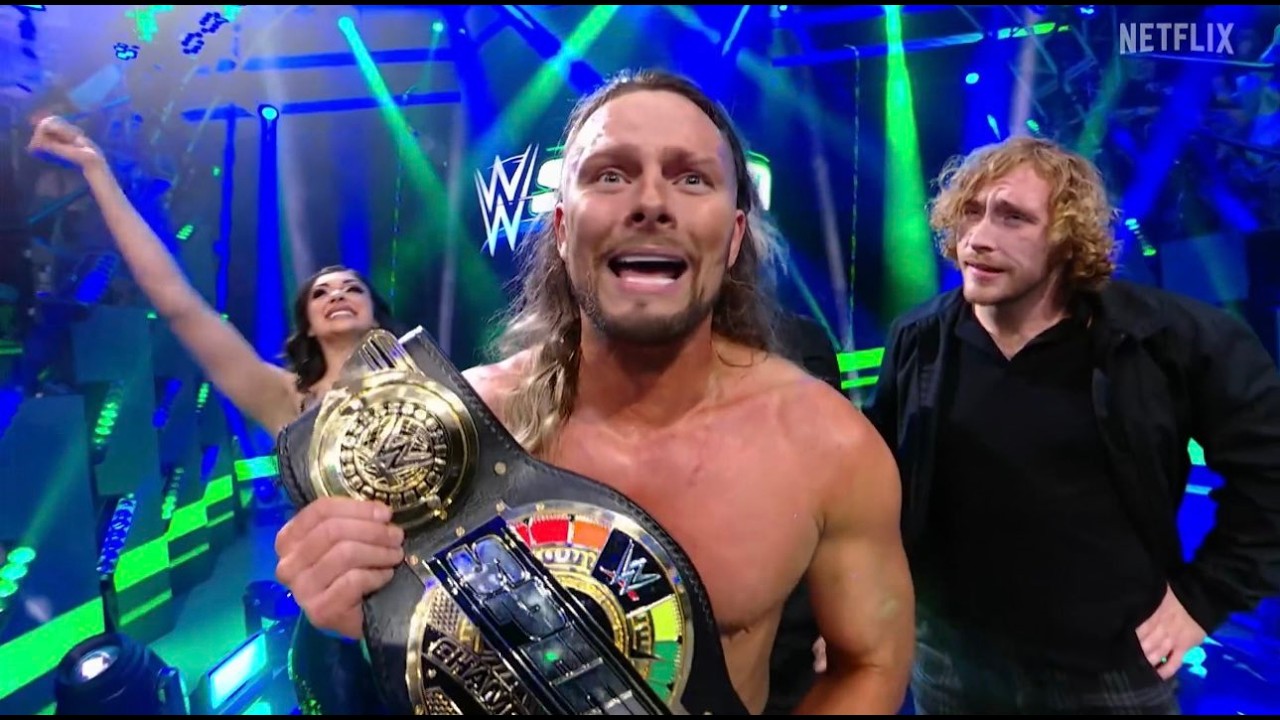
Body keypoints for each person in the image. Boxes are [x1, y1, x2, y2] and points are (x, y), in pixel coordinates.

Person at [272, 68, 916, 714]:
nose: (652, 202)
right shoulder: (456, 438)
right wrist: (349, 625)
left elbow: (873, 659)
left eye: (692, 178)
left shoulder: (827, 445)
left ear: (735, 236)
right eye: (610, 175)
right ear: (560, 227)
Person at [862, 134, 1280, 714]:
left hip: (1109, 669)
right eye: (971, 213)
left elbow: (1269, 471)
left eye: (1013, 217)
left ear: (1066, 238)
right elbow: (872, 488)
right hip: (952, 662)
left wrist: (1205, 598)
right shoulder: (919, 338)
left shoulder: (1168, 341)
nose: (978, 237)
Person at [25, 114, 397, 438]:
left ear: (376, 316)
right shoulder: (283, 398)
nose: (337, 295)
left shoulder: (424, 383)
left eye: (353, 289)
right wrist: (96, 169)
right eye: (320, 293)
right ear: (309, 326)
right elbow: (178, 303)